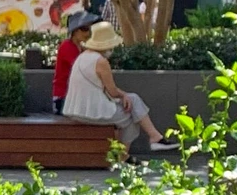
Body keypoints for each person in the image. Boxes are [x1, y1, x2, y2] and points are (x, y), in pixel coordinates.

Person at [61, 20, 164, 154]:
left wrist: (125, 96)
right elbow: (112, 91)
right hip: (92, 112)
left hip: (75, 109)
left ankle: (154, 137)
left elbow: (106, 89)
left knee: (133, 100)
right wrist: (123, 95)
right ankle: (125, 156)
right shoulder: (101, 61)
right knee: (130, 118)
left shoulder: (82, 57)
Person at [51, 8, 93, 114]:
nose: (88, 32)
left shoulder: (81, 47)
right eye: (84, 28)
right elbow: (82, 68)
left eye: (89, 28)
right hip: (63, 97)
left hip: (75, 95)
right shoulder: (67, 46)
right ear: (75, 31)